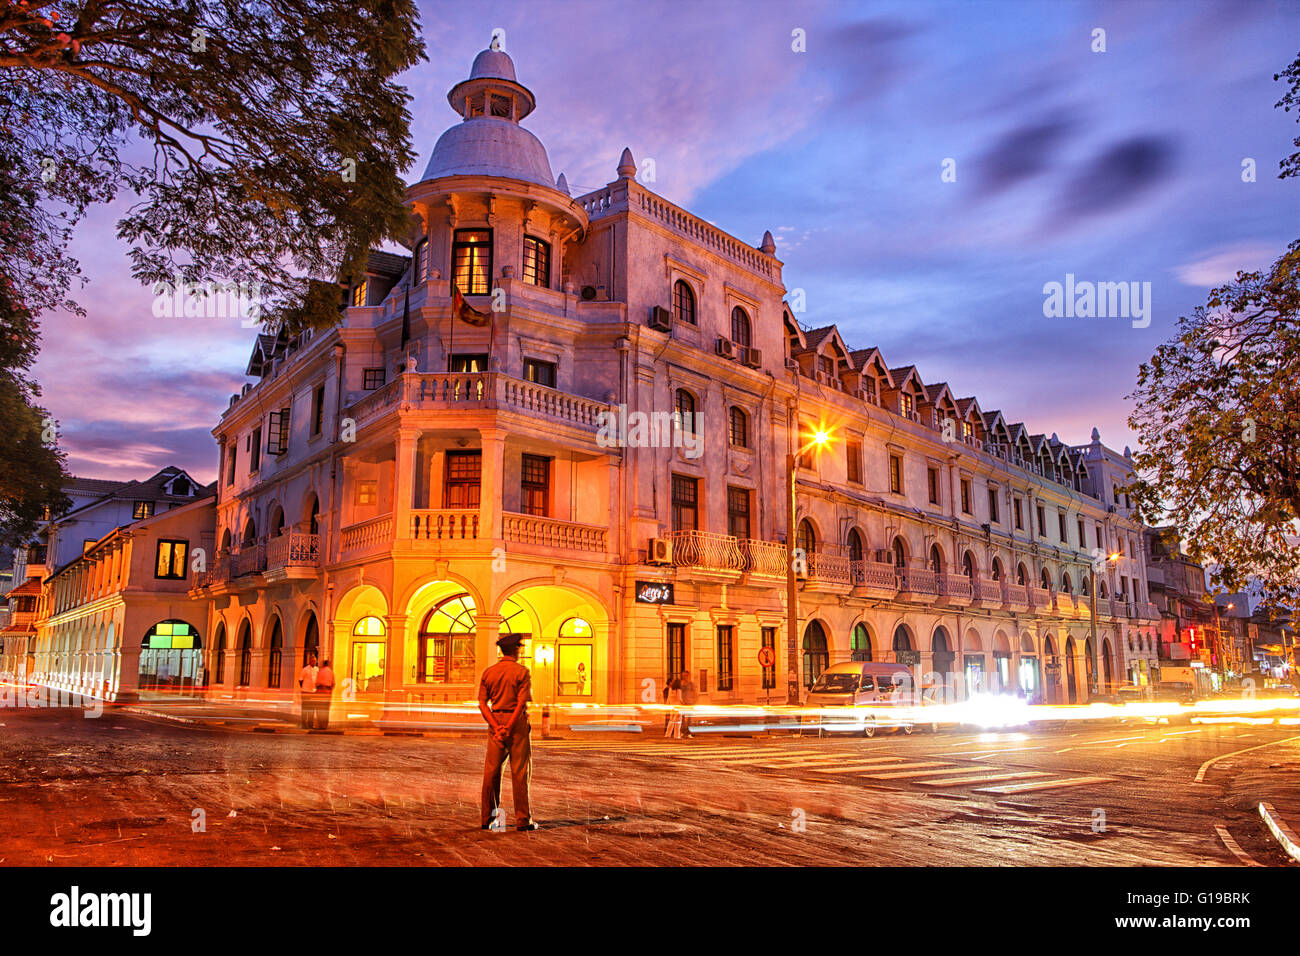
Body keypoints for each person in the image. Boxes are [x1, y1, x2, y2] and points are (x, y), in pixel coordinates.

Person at [478, 633, 536, 831]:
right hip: (516, 723)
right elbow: (521, 703)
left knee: (491, 771)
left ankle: (488, 818)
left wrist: (496, 727)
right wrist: (509, 727)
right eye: (520, 648)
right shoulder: (522, 672)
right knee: (520, 772)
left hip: (495, 720)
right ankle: (522, 820)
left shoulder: (489, 672)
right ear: (516, 650)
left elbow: (482, 704)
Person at [298, 653, 319, 728]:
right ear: (309, 661)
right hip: (306, 691)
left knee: (312, 709)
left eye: (314, 661)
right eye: (312, 661)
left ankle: (310, 724)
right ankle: (303, 724)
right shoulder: (305, 669)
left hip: (313, 692)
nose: (313, 662)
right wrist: (304, 688)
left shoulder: (317, 669)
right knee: (305, 709)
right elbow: (300, 679)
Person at [314, 658, 336, 730]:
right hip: (328, 691)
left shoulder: (321, 671)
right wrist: (330, 691)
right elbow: (333, 683)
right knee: (326, 709)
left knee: (320, 709)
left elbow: (317, 682)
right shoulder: (331, 672)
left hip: (321, 691)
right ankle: (325, 725)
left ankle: (320, 725)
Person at [678, 670, 697, 738]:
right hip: (682, 703)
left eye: (686, 675)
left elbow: (695, 692)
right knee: (682, 718)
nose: (684, 677)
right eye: (683, 675)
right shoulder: (680, 683)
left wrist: (694, 700)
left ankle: (689, 732)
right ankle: (682, 732)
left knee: (689, 719)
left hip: (689, 702)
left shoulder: (691, 683)